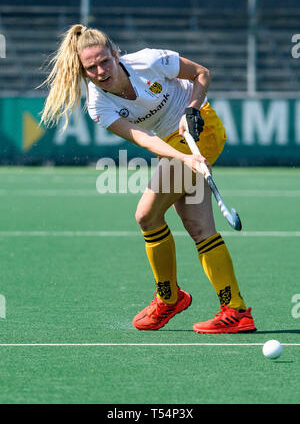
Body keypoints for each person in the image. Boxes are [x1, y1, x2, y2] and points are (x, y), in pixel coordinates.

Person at [40, 24, 257, 334]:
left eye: (105, 61)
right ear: (83, 71)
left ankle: (169, 298)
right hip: (174, 148)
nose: (101, 71)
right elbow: (142, 138)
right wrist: (183, 158)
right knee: (199, 226)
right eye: (91, 67)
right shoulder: (98, 105)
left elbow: (201, 73)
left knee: (146, 214)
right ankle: (235, 310)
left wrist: (192, 109)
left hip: (201, 129)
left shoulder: (149, 61)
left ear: (116, 55)